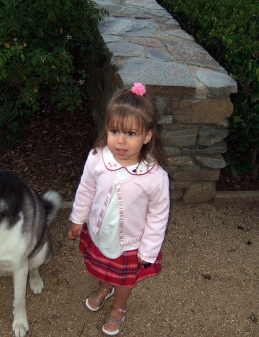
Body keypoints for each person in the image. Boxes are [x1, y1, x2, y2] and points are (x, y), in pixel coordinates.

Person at [68, 82, 170, 336]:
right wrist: (78, 218)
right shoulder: (97, 158)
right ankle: (103, 287)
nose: (121, 140)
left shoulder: (155, 177)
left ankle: (119, 306)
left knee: (125, 279)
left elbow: (158, 216)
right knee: (102, 266)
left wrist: (148, 250)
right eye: (115, 131)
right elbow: (86, 189)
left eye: (131, 134)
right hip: (100, 231)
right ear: (107, 129)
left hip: (131, 244)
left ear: (147, 136)